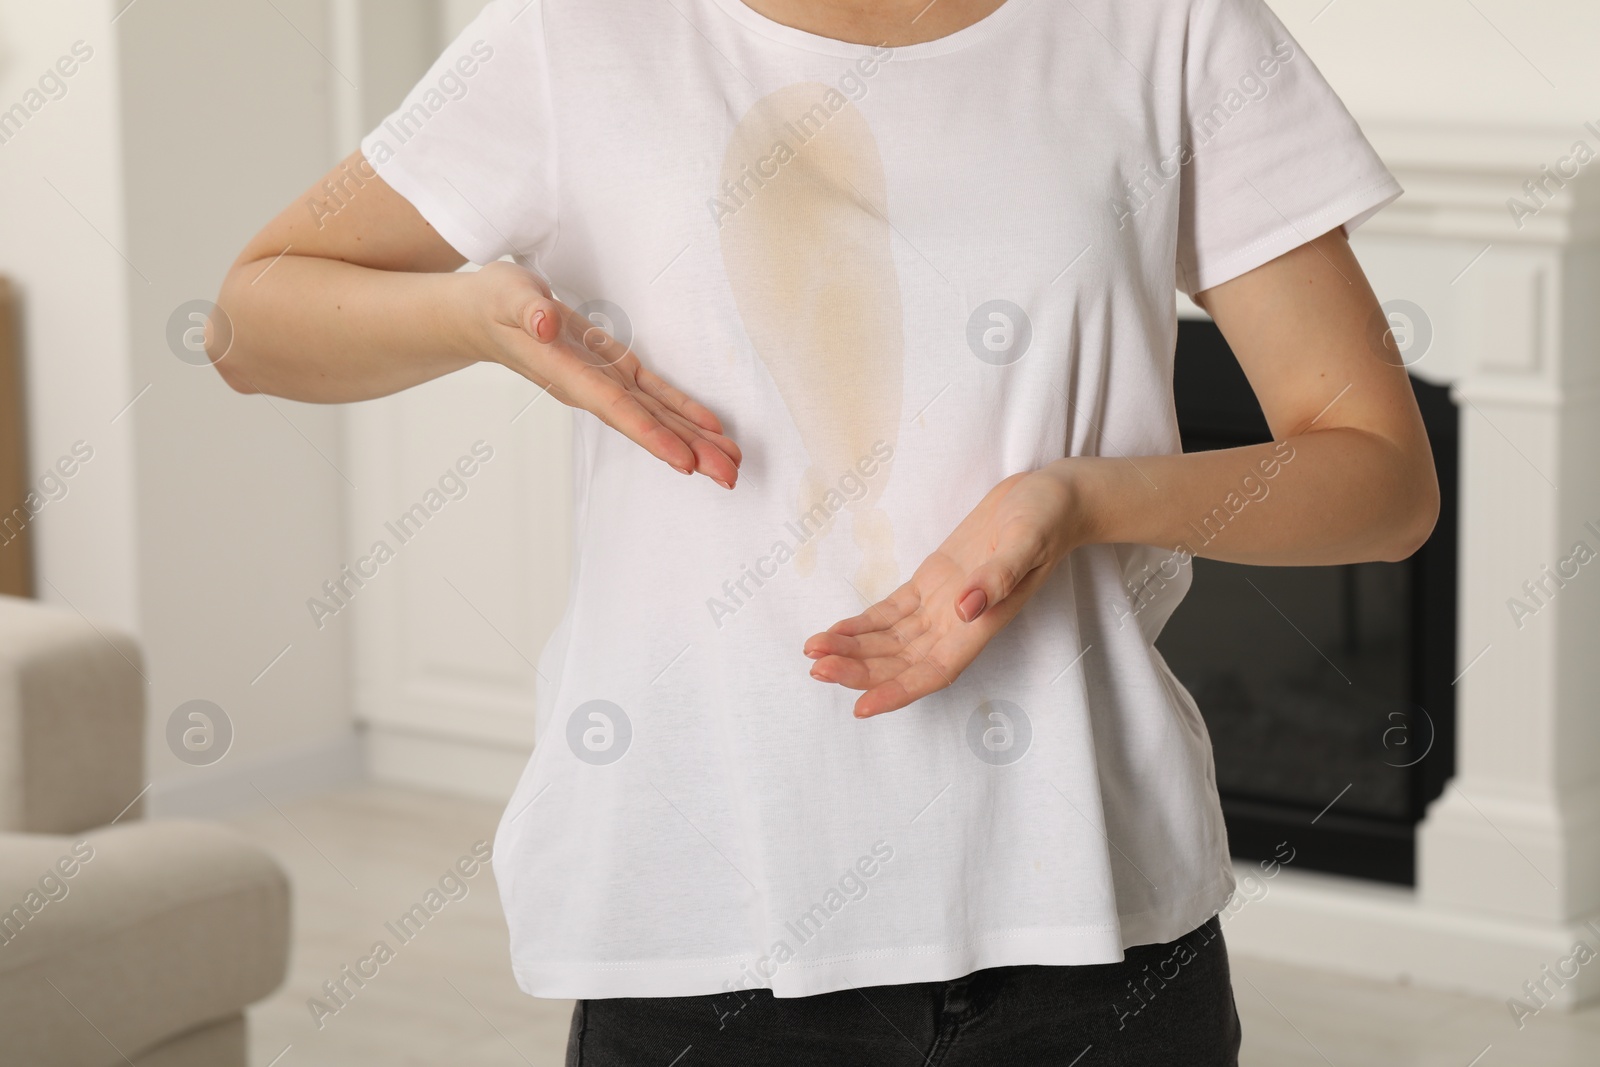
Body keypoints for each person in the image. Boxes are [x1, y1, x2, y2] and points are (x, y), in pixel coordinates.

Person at [209, 0, 1438, 1062]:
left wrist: (1074, 499)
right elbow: (248, 322)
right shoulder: (579, 34)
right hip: (703, 927)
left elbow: (1382, 482)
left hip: (1094, 925)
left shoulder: (1169, 29)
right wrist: (475, 317)